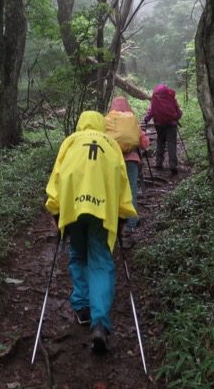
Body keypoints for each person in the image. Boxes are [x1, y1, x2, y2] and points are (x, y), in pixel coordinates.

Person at [45, 110, 137, 354]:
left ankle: (82, 307)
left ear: (80, 123)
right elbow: (121, 183)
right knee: (101, 261)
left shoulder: (70, 141)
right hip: (102, 212)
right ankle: (99, 323)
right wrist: (122, 216)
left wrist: (56, 213)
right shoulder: (112, 145)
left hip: (73, 209)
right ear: (101, 125)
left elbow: (57, 178)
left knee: (78, 255)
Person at [107, 96, 150, 235]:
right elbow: (144, 144)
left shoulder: (106, 121)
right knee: (131, 191)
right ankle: (130, 225)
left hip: (112, 162)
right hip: (131, 161)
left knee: (113, 191)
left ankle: (114, 223)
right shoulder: (132, 121)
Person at [143, 83, 183, 174]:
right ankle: (172, 164)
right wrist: (177, 117)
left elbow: (151, 110)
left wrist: (147, 119)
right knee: (171, 143)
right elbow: (178, 112)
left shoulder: (155, 99)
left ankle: (159, 162)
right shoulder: (171, 98)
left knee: (160, 141)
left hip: (159, 124)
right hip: (171, 123)